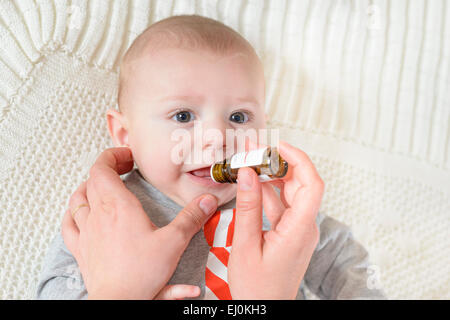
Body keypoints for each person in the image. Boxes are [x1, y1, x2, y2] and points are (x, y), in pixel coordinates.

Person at [36, 15, 385, 300]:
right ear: (125, 135)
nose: (218, 138)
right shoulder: (111, 213)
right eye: (183, 116)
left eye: (238, 117)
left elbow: (342, 259)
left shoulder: (278, 211)